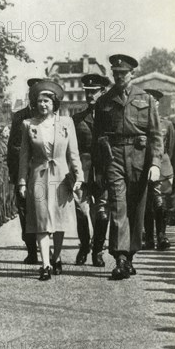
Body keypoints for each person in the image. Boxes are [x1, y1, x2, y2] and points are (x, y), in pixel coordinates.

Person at [92, 54, 163, 280]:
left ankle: (130, 255)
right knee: (118, 206)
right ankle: (120, 257)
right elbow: (97, 136)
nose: (119, 77)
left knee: (136, 208)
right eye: (116, 74)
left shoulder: (146, 99)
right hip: (113, 158)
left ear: (132, 74)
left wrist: (155, 163)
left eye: (123, 73)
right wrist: (99, 169)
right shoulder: (104, 101)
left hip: (139, 158)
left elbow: (155, 136)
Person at [18, 80, 83, 281]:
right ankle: (45, 264)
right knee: (41, 221)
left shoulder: (66, 123)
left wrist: (79, 176)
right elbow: (23, 156)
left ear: (54, 103)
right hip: (38, 177)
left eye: (46, 101)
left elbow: (74, 153)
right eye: (39, 101)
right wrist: (21, 182)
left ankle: (56, 257)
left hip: (62, 177)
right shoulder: (28, 125)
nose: (42, 105)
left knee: (59, 221)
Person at [72, 74, 110, 266]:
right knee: (81, 211)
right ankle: (84, 246)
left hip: (103, 171)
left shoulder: (111, 118)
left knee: (102, 212)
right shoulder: (77, 119)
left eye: (93, 92)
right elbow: (72, 149)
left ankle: (97, 251)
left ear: (103, 92)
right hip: (83, 171)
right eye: (87, 92)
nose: (89, 95)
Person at [7, 78, 41, 264]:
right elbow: (13, 146)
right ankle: (31, 250)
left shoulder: (50, 115)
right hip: (23, 171)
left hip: (42, 170)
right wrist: (14, 173)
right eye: (32, 94)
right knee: (24, 210)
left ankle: (48, 250)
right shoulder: (19, 117)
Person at [143, 89, 173, 250]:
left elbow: (170, 148)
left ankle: (161, 236)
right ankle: (148, 238)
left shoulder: (166, 124)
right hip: (142, 168)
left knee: (160, 201)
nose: (151, 104)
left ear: (157, 104)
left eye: (154, 101)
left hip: (162, 168)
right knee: (147, 203)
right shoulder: (139, 123)